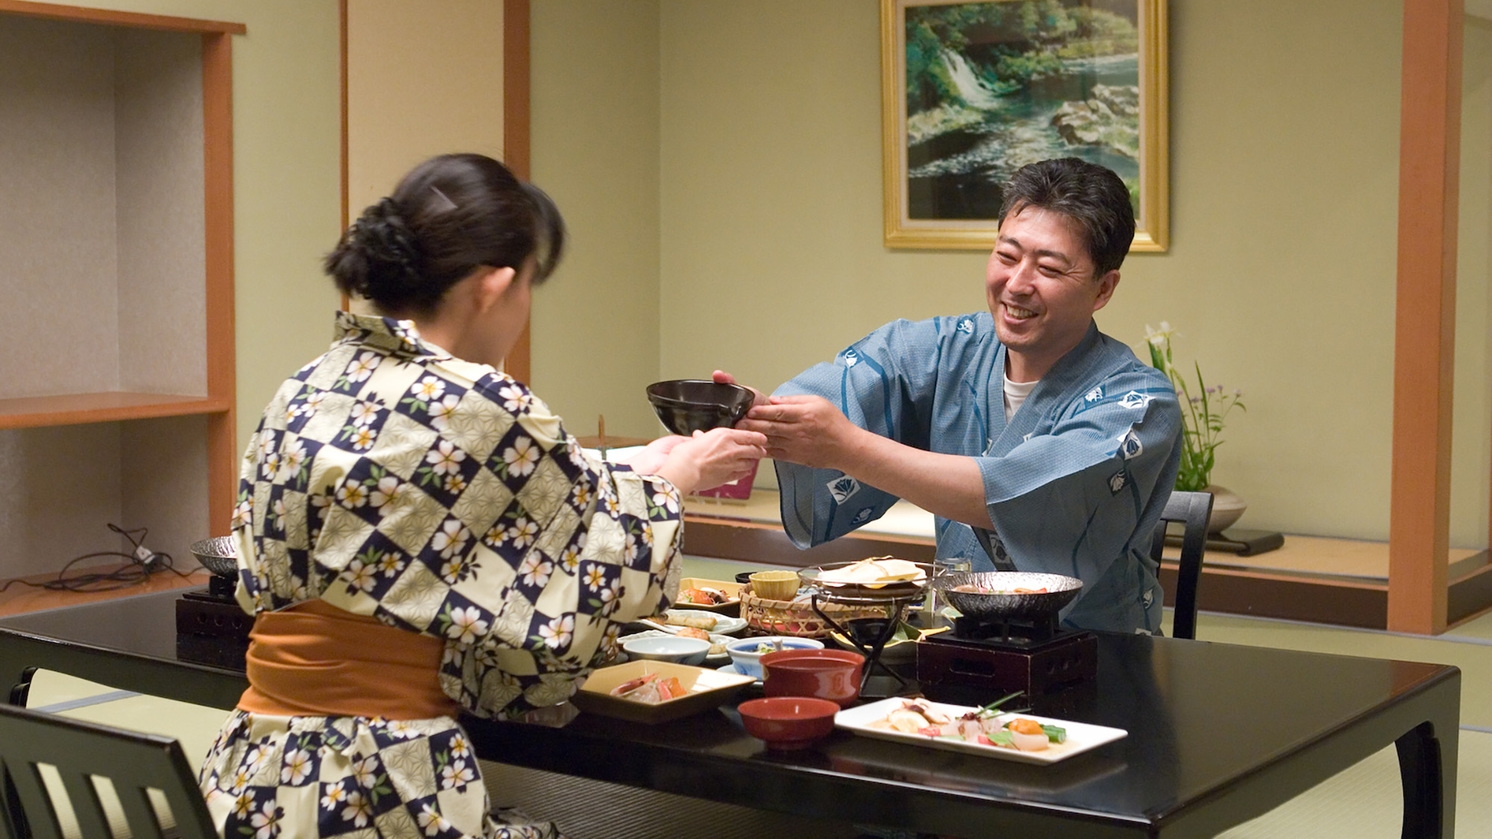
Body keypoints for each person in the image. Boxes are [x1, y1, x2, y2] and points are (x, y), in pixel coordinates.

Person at [198, 153, 766, 839]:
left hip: (253, 776)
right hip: (381, 782)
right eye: (529, 286)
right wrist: (674, 481)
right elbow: (579, 597)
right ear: (493, 286)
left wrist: (641, 464)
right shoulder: (483, 399)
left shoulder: (314, 382)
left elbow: (455, 498)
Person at [721, 157, 1181, 634]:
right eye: (1006, 256)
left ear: (1103, 288)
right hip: (953, 645)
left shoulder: (1138, 404)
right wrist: (761, 416)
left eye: (1048, 267)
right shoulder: (947, 348)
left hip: (1098, 663)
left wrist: (846, 447)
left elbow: (1013, 495)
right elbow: (846, 389)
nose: (1017, 284)